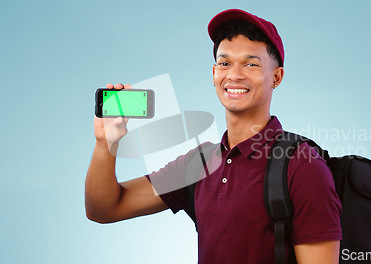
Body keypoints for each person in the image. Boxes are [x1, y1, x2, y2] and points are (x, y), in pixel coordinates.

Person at [85, 9, 342, 264]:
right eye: (225, 63)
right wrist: (106, 143)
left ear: (277, 76)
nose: (234, 74)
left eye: (251, 63)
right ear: (213, 74)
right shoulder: (198, 163)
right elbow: (105, 209)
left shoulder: (302, 165)